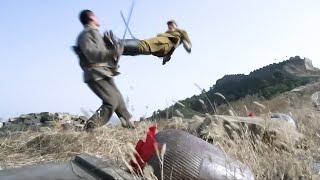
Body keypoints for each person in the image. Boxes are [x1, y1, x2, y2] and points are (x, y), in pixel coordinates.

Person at [74, 9, 134, 131]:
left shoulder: (95, 34)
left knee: (119, 100)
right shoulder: (85, 35)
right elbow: (92, 54)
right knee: (111, 102)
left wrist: (110, 44)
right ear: (91, 17)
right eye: (96, 16)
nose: (98, 18)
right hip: (95, 74)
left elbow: (106, 56)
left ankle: (131, 128)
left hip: (104, 72)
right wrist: (113, 52)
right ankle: (88, 129)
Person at [122, 20, 192, 65]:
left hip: (165, 44)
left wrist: (188, 47)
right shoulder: (166, 33)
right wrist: (165, 58)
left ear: (176, 25)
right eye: (169, 25)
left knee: (143, 45)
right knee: (141, 49)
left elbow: (186, 42)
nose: (169, 26)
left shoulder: (180, 32)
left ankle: (119, 43)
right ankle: (119, 50)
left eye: (172, 24)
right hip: (160, 45)